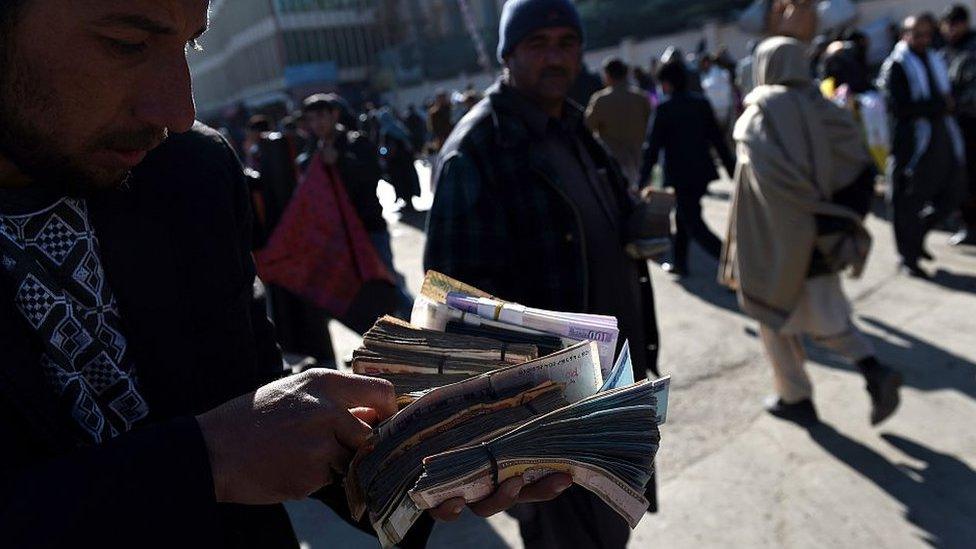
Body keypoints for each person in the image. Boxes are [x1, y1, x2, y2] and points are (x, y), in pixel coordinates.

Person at [0, 1, 568, 546]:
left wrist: (407, 455)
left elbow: (248, 397)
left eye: (189, 44)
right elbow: (228, 447)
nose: (178, 110)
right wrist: (203, 462)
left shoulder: (189, 172)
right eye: (126, 44)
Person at [425, 0, 660, 547]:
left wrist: (636, 221)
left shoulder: (574, 126)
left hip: (615, 394)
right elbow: (454, 312)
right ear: (508, 54)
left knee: (612, 528)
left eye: (566, 43)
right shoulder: (477, 151)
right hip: (550, 420)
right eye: (538, 44)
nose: (555, 57)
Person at [720, 37, 903, 427]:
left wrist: (795, 216)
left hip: (774, 236)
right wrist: (831, 211)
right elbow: (858, 163)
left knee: (784, 314)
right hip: (822, 232)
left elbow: (766, 183)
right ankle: (801, 393)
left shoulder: (758, 114)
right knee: (819, 312)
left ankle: (862, 374)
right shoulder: (826, 107)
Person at [299, 95, 414, 320]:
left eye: (321, 116)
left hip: (369, 230)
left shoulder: (355, 141)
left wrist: (340, 161)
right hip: (342, 237)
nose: (317, 124)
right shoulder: (314, 149)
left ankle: (421, 330)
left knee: (388, 284)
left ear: (334, 115)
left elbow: (373, 175)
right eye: (311, 119)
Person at [879, 15, 965, 278]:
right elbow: (901, 108)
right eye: (917, 34)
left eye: (927, 34)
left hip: (940, 137)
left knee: (953, 192)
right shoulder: (897, 66)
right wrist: (940, 106)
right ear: (905, 35)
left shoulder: (934, 59)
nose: (923, 40)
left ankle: (917, 238)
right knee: (906, 203)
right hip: (911, 143)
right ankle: (908, 257)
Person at [638, 60, 736, 277]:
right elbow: (717, 139)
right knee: (684, 219)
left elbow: (652, 148)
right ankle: (680, 264)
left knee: (693, 223)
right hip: (701, 173)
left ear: (666, 83)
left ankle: (732, 265)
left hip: (679, 175)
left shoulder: (664, 109)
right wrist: (732, 170)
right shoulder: (701, 103)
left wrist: (641, 180)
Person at [585, 57, 653, 187]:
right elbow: (650, 126)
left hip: (612, 163)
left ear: (608, 75)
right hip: (639, 160)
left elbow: (588, 128)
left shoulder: (600, 100)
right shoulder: (641, 97)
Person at [942, 4, 976, 246]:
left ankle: (971, 226)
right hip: (956, 124)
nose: (949, 29)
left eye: (954, 24)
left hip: (970, 124)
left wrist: (954, 103)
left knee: (970, 177)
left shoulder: (970, 50)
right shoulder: (948, 50)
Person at [377, 106, 422, 212]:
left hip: (396, 162)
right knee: (408, 180)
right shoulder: (399, 128)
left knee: (401, 181)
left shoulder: (387, 132)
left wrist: (383, 155)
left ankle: (407, 202)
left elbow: (386, 148)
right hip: (406, 160)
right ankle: (408, 201)